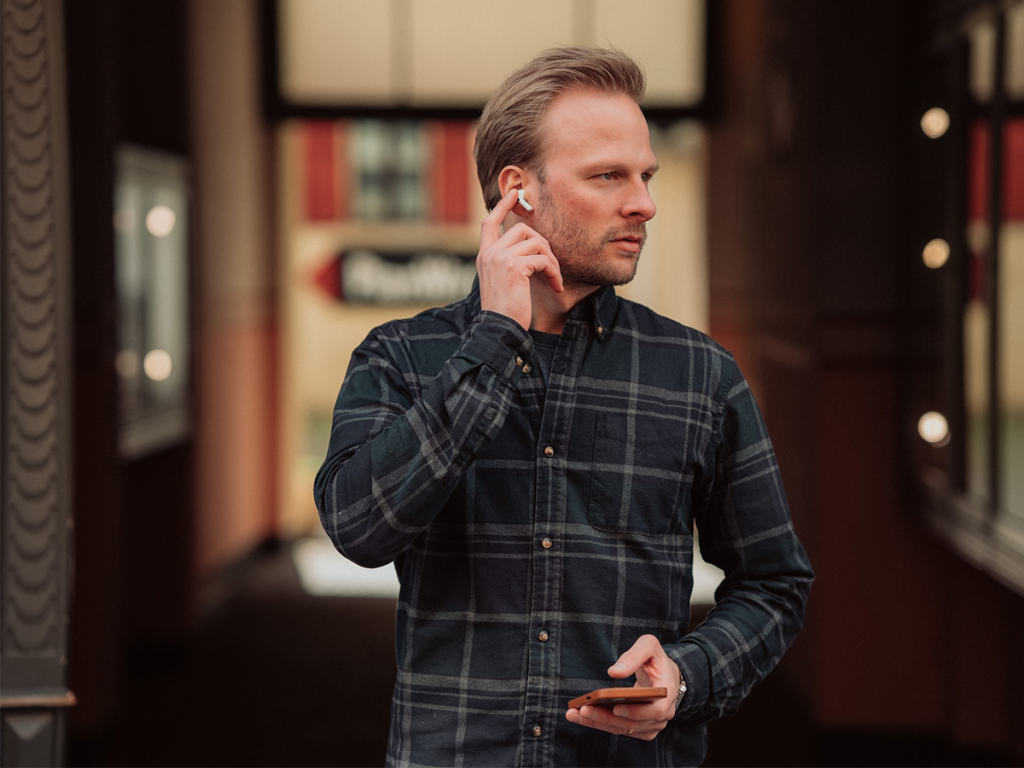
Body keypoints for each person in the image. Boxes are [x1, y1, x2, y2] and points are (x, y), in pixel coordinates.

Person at [315, 46, 813, 768]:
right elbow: (359, 529)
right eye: (609, 175)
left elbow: (776, 583)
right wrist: (494, 342)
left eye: (645, 175)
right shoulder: (400, 358)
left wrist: (686, 674)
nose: (643, 201)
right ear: (517, 191)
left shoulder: (701, 377)